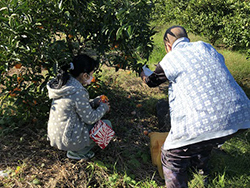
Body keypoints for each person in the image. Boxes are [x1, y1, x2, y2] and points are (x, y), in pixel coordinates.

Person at [140, 25, 250, 187]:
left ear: (168, 46)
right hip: (242, 115)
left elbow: (152, 81)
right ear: (187, 40)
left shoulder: (171, 58)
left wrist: (143, 72)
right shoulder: (206, 47)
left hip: (205, 122)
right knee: (206, 138)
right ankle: (202, 174)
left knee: (171, 156)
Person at [47, 54, 111, 160]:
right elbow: (90, 118)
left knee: (94, 125)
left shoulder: (65, 84)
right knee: (106, 126)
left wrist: (94, 102)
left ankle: (75, 148)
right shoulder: (79, 91)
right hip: (68, 139)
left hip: (56, 136)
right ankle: (78, 152)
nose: (92, 78)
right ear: (84, 75)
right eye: (91, 74)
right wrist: (103, 107)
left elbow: (76, 107)